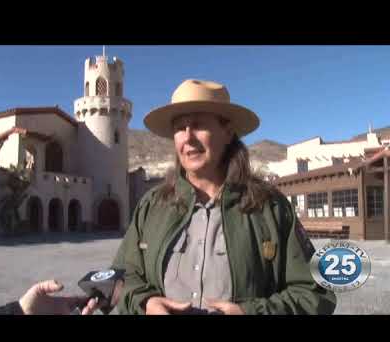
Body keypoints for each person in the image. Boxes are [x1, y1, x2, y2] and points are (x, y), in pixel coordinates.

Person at [111, 79, 337, 315]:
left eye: (198, 125)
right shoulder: (152, 206)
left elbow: (314, 293)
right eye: (179, 128)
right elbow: (122, 276)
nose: (188, 137)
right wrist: (146, 303)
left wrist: (250, 312)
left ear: (228, 132)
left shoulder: (270, 206)